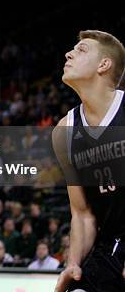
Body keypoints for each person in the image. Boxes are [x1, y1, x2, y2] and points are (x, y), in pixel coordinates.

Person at [52, 30, 125, 292]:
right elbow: (82, 213)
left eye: (81, 50)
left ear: (104, 65)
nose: (69, 53)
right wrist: (72, 263)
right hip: (108, 246)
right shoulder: (65, 130)